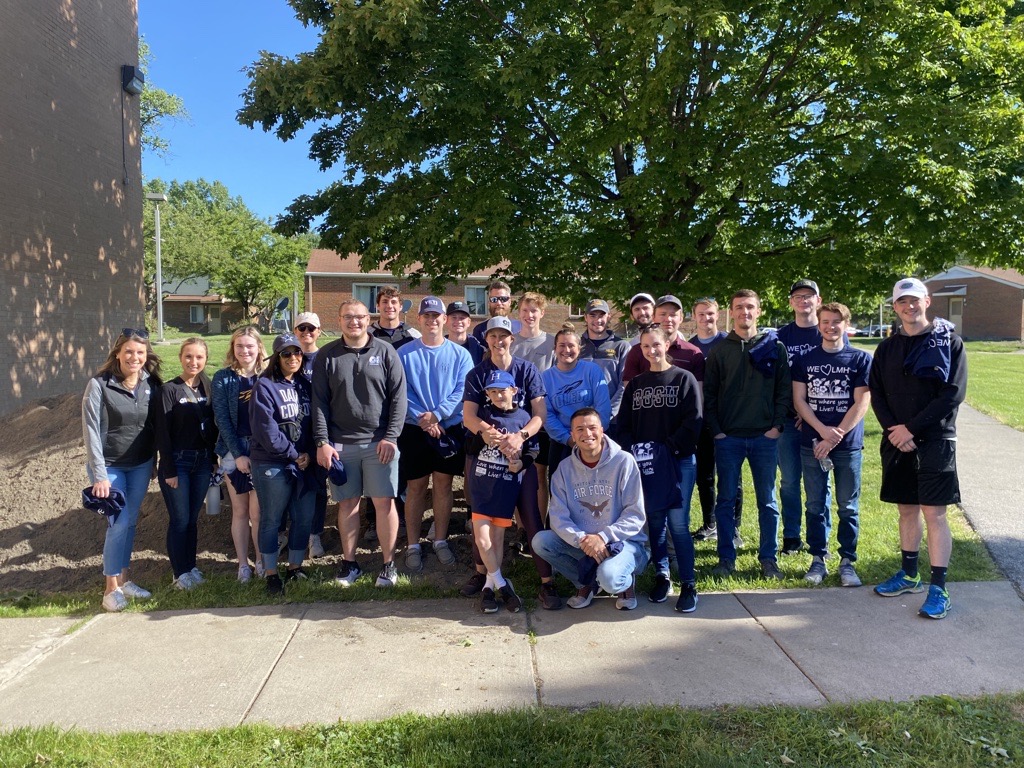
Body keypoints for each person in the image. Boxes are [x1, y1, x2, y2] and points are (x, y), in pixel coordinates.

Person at [869, 278, 967, 619]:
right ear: (895, 307)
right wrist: (894, 431)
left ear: (927, 301)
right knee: (907, 510)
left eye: (915, 300)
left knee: (934, 513)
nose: (909, 307)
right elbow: (877, 393)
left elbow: (952, 394)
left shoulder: (950, 342)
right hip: (897, 439)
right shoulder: (886, 348)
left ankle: (939, 588)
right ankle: (910, 575)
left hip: (936, 440)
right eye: (902, 302)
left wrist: (911, 428)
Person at [462, 316, 560, 609]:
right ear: (487, 339)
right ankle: (485, 577)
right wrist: (488, 432)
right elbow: (469, 417)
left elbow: (540, 414)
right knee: (483, 515)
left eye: (503, 336)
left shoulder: (526, 370)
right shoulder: (478, 373)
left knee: (530, 515)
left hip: (519, 456)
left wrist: (520, 437)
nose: (498, 341)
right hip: (485, 456)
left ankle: (547, 580)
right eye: (492, 336)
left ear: (511, 339)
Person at [314, 299, 407, 588]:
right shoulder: (326, 356)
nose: (354, 322)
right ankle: (349, 563)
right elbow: (319, 403)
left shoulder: (386, 351)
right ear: (339, 320)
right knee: (348, 505)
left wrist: (391, 436)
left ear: (369, 320)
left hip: (380, 442)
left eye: (359, 317)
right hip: (341, 445)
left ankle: (388, 564)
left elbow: (399, 398)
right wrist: (322, 442)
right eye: (347, 317)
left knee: (384, 503)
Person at [703, 289, 792, 580]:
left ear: (759, 310)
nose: (745, 312)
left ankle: (769, 559)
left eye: (750, 307)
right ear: (731, 311)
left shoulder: (774, 347)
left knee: (767, 501)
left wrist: (776, 426)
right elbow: (710, 395)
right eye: (739, 307)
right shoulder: (719, 351)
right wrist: (717, 431)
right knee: (726, 500)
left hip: (764, 438)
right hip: (728, 438)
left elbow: (783, 391)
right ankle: (726, 558)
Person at [531, 408, 650, 611]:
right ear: (572, 435)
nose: (587, 434)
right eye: (580, 429)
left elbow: (635, 514)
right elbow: (558, 517)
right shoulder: (564, 469)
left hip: (623, 543)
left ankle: (625, 583)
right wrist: (583, 540)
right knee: (541, 542)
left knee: (610, 578)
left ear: (602, 430)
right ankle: (587, 583)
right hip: (584, 543)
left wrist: (603, 537)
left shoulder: (624, 462)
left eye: (592, 427)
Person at [619, 326, 702, 612]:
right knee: (654, 522)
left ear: (666, 345)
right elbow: (623, 426)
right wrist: (636, 451)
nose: (651, 351)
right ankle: (661, 575)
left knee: (678, 524)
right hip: (647, 464)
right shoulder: (637, 384)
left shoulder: (684, 379)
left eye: (656, 345)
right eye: (645, 347)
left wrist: (666, 448)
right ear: (640, 350)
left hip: (678, 461)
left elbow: (694, 421)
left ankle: (689, 583)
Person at [791, 303, 871, 587]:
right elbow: (799, 400)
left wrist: (836, 434)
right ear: (819, 325)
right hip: (813, 443)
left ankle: (847, 562)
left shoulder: (860, 359)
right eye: (825, 321)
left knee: (848, 506)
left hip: (847, 445)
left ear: (845, 324)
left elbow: (861, 401)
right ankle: (817, 559)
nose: (830, 326)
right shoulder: (804, 360)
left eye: (836, 321)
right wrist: (823, 432)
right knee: (814, 504)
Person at [82, 327, 161, 611]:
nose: (134, 357)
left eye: (140, 352)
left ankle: (125, 580)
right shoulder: (99, 384)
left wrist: (154, 461)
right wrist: (99, 475)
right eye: (129, 351)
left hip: (139, 465)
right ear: (117, 353)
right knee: (119, 522)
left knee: (130, 522)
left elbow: (151, 428)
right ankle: (110, 589)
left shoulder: (150, 384)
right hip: (109, 466)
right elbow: (90, 431)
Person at [397, 296, 474, 572]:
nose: (432, 321)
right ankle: (414, 544)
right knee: (416, 487)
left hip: (448, 429)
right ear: (419, 319)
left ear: (445, 320)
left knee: (443, 485)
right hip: (414, 429)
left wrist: (438, 415)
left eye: (436, 316)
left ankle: (440, 540)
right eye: (426, 316)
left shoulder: (460, 354)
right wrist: (425, 419)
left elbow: (460, 391)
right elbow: (401, 392)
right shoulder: (404, 353)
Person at [466, 370, 541, 613]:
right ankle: (502, 584)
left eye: (503, 390)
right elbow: (470, 447)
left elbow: (533, 451)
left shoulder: (523, 419)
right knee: (482, 539)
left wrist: (520, 464)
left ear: (514, 391)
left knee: (496, 541)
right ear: (487, 394)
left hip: (506, 488)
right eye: (493, 391)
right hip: (482, 487)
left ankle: (490, 587)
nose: (499, 395)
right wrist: (483, 436)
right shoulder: (484, 417)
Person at [250, 333, 316, 595]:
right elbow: (266, 430)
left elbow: (315, 424)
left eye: (297, 353)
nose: (293, 358)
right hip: (272, 463)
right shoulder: (264, 386)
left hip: (305, 463)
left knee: (303, 518)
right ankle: (271, 574)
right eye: (286, 353)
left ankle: (295, 568)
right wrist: (292, 454)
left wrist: (309, 453)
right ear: (276, 358)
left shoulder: (305, 386)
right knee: (272, 520)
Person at [154, 337, 217, 591]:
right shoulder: (169, 390)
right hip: (177, 463)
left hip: (202, 462)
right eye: (189, 356)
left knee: (192, 519)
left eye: (199, 357)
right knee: (179, 520)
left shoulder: (209, 388)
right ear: (181, 358)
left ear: (205, 359)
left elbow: (212, 428)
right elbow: (162, 433)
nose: (194, 361)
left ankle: (190, 567)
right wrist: (168, 469)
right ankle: (179, 574)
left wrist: (213, 459)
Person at [212, 326, 267, 582]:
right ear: (233, 349)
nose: (245, 351)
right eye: (239, 346)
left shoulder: (267, 377)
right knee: (240, 511)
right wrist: (238, 453)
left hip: (262, 450)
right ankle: (242, 565)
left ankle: (260, 561)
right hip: (233, 451)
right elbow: (221, 419)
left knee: (258, 513)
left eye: (250, 346)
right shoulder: (223, 378)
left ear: (258, 348)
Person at [776, 279, 824, 555]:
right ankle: (792, 537)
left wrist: (812, 416)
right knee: (790, 481)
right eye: (798, 296)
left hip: (820, 422)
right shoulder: (781, 336)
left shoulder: (828, 332)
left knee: (819, 483)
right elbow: (774, 380)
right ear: (791, 302)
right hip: (789, 422)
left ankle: (820, 539)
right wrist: (793, 411)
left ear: (818, 300)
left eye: (809, 296)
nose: (803, 300)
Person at [688, 297, 742, 543]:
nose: (706, 318)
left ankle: (734, 528)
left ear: (718, 315)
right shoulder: (690, 348)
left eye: (710, 314)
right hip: (702, 421)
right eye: (701, 314)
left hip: (729, 419)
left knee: (731, 475)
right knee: (705, 476)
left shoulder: (729, 343)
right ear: (694, 316)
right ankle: (710, 524)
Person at [542, 323, 611, 477]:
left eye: (571, 346)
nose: (566, 350)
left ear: (579, 349)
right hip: (562, 443)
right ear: (555, 349)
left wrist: (592, 436)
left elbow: (603, 407)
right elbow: (547, 414)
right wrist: (569, 439)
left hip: (592, 440)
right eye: (562, 345)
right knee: (560, 492)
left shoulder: (592, 371)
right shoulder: (545, 378)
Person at [511, 291, 556, 518]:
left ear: (542, 313)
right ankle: (521, 528)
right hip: (515, 418)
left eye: (534, 311)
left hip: (543, 417)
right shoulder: (510, 342)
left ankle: (538, 525)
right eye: (525, 310)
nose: (529, 315)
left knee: (540, 474)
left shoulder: (551, 343)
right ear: (518, 312)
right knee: (518, 471)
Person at [293, 311, 329, 559]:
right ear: (295, 331)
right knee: (291, 486)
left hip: (319, 431)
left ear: (319, 331)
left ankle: (315, 534)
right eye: (301, 328)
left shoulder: (326, 358)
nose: (307, 333)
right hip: (292, 434)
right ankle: (292, 532)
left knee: (317, 486)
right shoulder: (286, 355)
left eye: (311, 329)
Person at [622, 295, 704, 383]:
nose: (668, 319)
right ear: (653, 317)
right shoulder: (637, 351)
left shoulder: (693, 353)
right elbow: (629, 389)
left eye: (673, 315)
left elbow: (698, 392)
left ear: (681, 318)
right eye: (662, 314)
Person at [577, 299, 631, 421]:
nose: (598, 320)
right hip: (581, 419)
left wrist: (608, 412)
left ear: (609, 317)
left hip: (612, 419)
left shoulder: (621, 346)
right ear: (585, 317)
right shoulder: (576, 346)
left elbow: (624, 384)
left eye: (602, 315)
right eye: (592, 315)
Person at [370, 285, 421, 350]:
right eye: (385, 302)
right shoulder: (367, 335)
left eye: (393, 302)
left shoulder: (415, 336)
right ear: (378, 306)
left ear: (401, 307)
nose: (389, 306)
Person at [446, 301, 485, 366]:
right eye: (454, 317)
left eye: (462, 318)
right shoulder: (438, 348)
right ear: (446, 320)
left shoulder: (479, 350)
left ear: (469, 322)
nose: (458, 321)